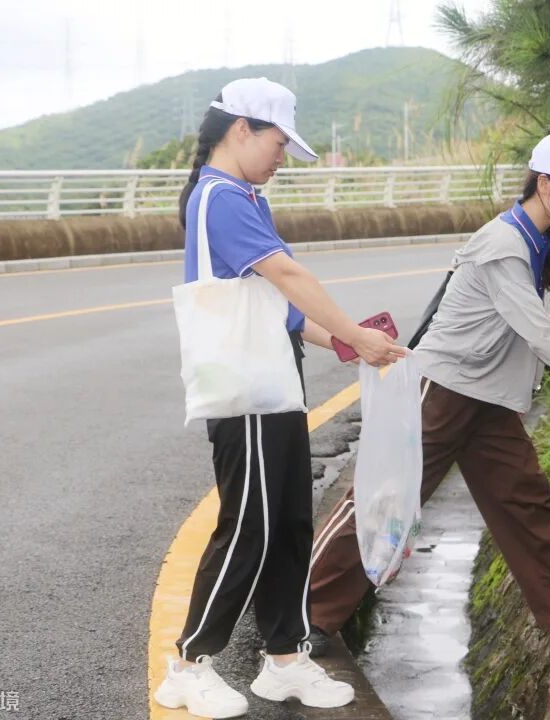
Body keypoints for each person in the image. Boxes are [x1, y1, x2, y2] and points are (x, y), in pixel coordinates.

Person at [307, 131, 550, 656]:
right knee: (384, 498)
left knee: (526, 501)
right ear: (545, 183)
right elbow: (540, 334)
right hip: (443, 390)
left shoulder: (532, 239)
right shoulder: (504, 244)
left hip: (485, 398)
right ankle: (302, 615)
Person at [153, 77, 406, 719]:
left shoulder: (246, 197)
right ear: (241, 128)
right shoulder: (220, 196)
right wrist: (355, 335)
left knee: (290, 522)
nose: (282, 157)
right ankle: (188, 665)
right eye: (278, 142)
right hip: (244, 391)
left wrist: (348, 344)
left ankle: (285, 660)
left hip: (272, 382)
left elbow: (283, 309)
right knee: (249, 526)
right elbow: (289, 276)